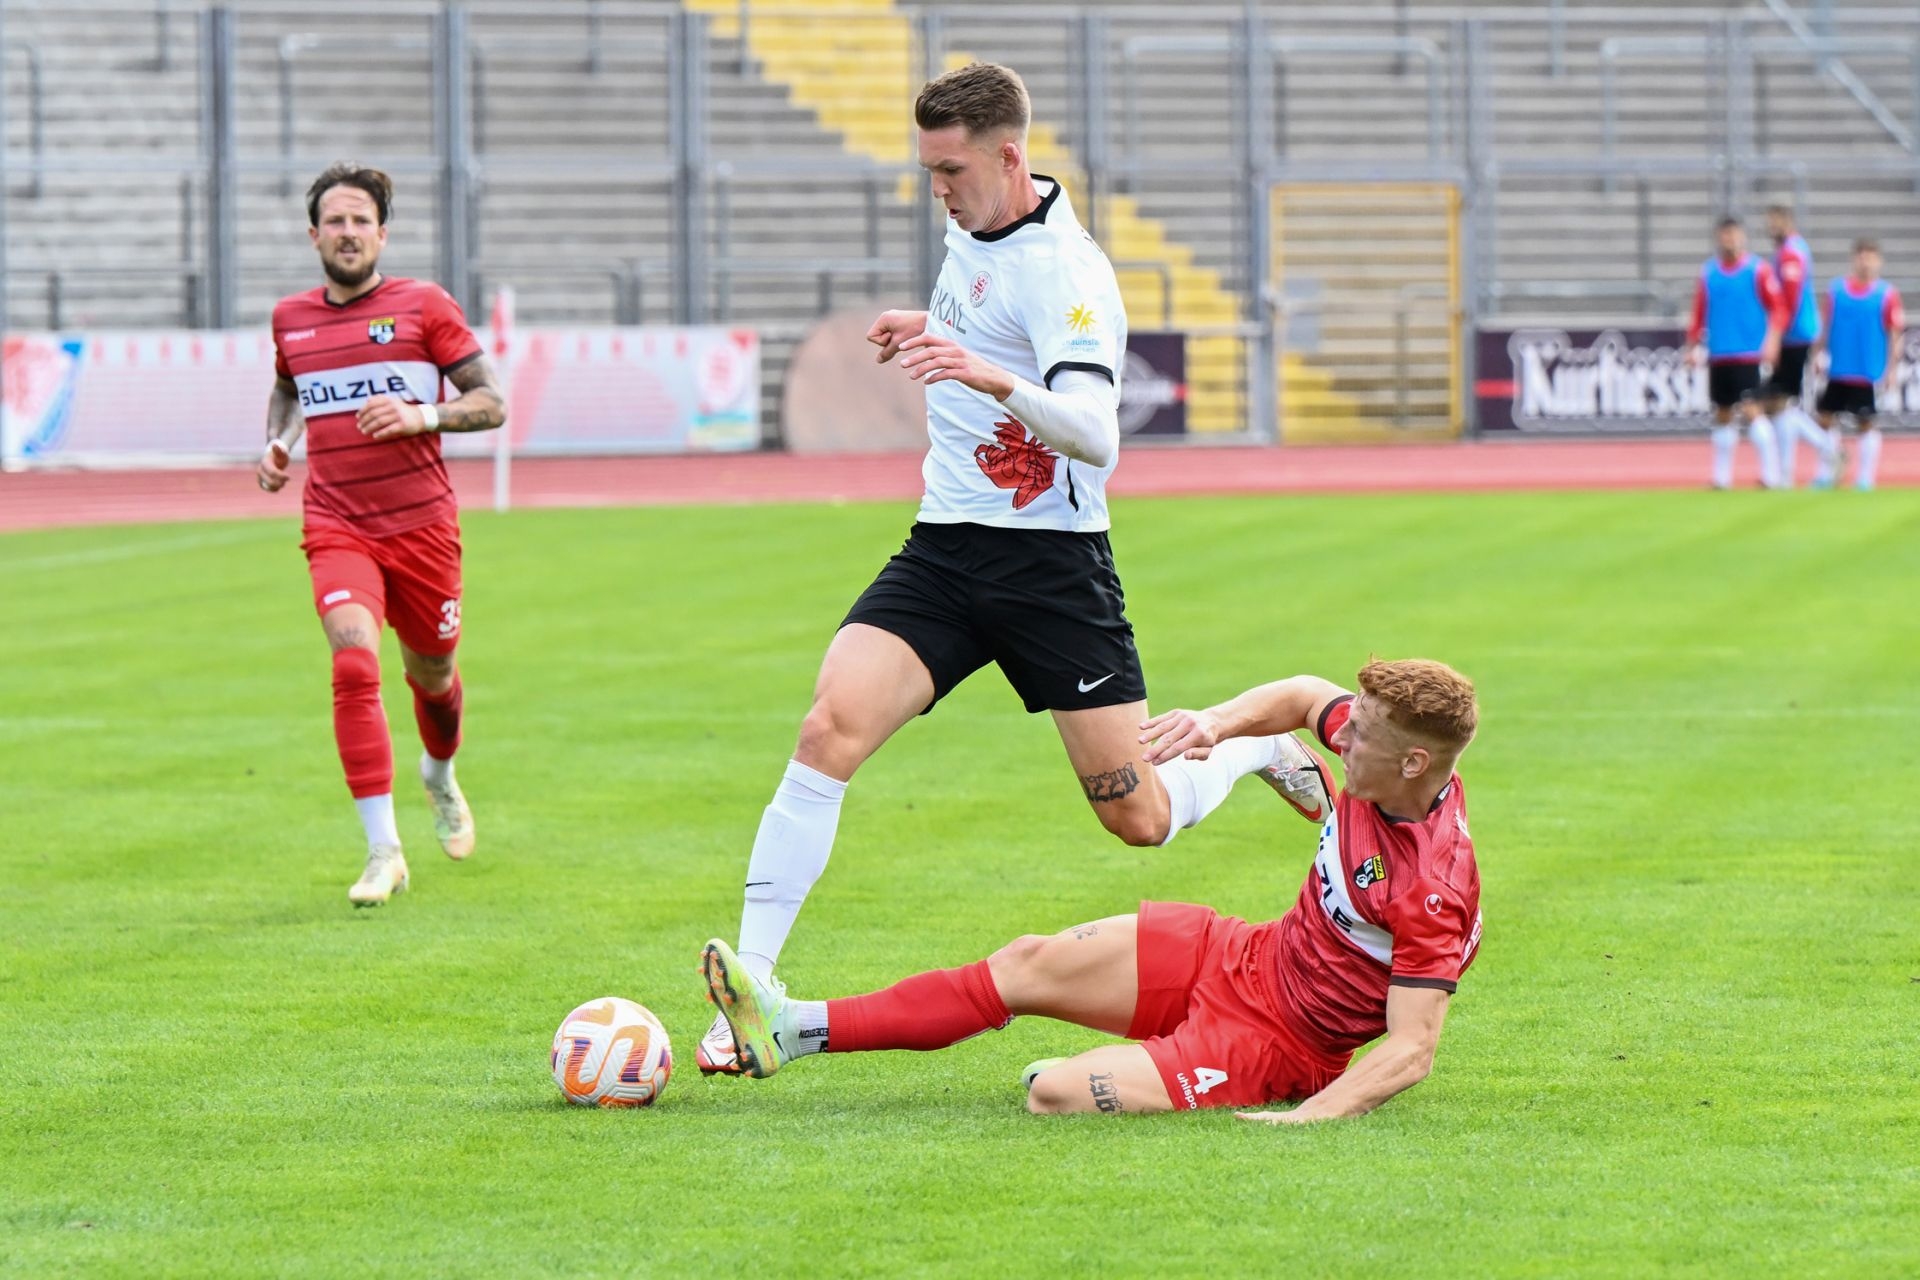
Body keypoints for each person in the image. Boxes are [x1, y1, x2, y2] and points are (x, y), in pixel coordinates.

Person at [698, 61, 1325, 1073]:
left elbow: (1094, 433)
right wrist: (935, 328)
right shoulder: (973, 228)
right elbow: (983, 313)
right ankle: (752, 997)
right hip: (944, 549)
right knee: (828, 726)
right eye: (928, 171)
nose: (937, 189)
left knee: (1138, 815)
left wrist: (988, 371)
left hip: (1051, 573)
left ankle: (1250, 750)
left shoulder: (1070, 273)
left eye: (950, 169)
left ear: (1009, 156)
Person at [701, 659, 1482, 1120]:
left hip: (1279, 1044)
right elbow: (1307, 692)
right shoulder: (1381, 754)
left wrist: (1312, 1119)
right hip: (1239, 955)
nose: (1342, 735)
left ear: (1415, 764)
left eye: (1360, 737)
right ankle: (789, 1028)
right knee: (1025, 963)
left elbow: (1413, 1046)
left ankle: (1177, 1064)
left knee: (1053, 1093)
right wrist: (1218, 725)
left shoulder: (1433, 885)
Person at [256, 162, 508, 906]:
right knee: (353, 662)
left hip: (423, 527)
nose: (347, 232)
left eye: (360, 220)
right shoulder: (291, 319)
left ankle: (439, 773)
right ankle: (383, 851)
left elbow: (491, 402)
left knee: (432, 676)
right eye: (334, 221)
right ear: (314, 235)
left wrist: (421, 414)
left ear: (381, 233)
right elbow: (289, 386)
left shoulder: (423, 307)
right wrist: (278, 441)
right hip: (337, 521)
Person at [1686, 217, 1787, 490]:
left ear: (1742, 238)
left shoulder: (1758, 270)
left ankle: (1772, 475)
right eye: (1724, 235)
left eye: (1733, 235)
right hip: (1720, 352)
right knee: (1722, 413)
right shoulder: (1709, 272)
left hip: (1748, 353)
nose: (1729, 240)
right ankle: (1721, 478)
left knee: (1752, 410)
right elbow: (1699, 313)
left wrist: (1772, 341)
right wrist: (1692, 345)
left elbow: (1778, 308)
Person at [1811, 238, 1904, 492]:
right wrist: (1817, 354)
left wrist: (1891, 369)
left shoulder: (1886, 294)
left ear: (1878, 261)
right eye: (1861, 256)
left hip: (1867, 370)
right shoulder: (1837, 290)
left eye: (1870, 256)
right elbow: (1824, 325)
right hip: (1839, 367)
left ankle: (1865, 477)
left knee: (1866, 423)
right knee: (1826, 420)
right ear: (1854, 259)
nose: (1865, 261)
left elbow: (1894, 334)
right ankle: (1826, 472)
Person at [1762, 205, 1834, 486]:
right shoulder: (1790, 250)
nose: (1771, 227)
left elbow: (1789, 301)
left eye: (1775, 221)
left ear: (1787, 222)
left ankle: (1826, 448)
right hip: (1795, 332)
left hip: (1795, 334)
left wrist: (1776, 336)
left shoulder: (1791, 252)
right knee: (1779, 401)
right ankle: (1786, 473)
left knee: (1777, 400)